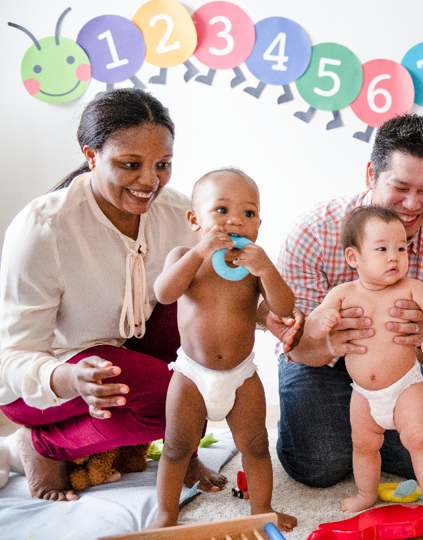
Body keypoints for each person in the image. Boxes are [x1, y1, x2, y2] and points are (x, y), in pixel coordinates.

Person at [0, 89, 299, 503]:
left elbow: (224, 296)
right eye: (130, 165)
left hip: (125, 352)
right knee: (169, 399)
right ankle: (44, 446)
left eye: (163, 165)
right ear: (91, 155)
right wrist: (68, 377)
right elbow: (10, 357)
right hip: (48, 379)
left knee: (192, 313)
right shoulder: (42, 228)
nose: (150, 181)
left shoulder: (180, 213)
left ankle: (182, 452)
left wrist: (272, 318)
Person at [274, 113, 423, 488]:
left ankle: (359, 435)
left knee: (422, 459)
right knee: (319, 465)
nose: (412, 204)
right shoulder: (314, 233)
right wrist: (328, 338)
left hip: (397, 364)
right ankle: (322, 427)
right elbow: (295, 345)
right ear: (371, 175)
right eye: (400, 187)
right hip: (317, 360)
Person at [147, 169, 296, 530]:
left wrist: (267, 270)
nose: (235, 220)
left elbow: (284, 309)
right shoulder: (185, 255)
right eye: (221, 210)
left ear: (259, 223)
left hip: (241, 375)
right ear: (194, 219)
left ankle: (262, 509)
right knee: (176, 447)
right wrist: (199, 252)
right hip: (191, 374)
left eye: (248, 214)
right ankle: (166, 512)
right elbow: (165, 293)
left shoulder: (252, 266)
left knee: (257, 445)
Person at [306, 205, 423, 516]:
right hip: (363, 392)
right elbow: (314, 320)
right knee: (363, 445)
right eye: (383, 249)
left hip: (405, 387)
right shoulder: (343, 293)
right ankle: (365, 493)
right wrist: (321, 323)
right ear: (353, 258)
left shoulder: (411, 288)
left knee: (421, 440)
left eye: (401, 248)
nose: (394, 257)